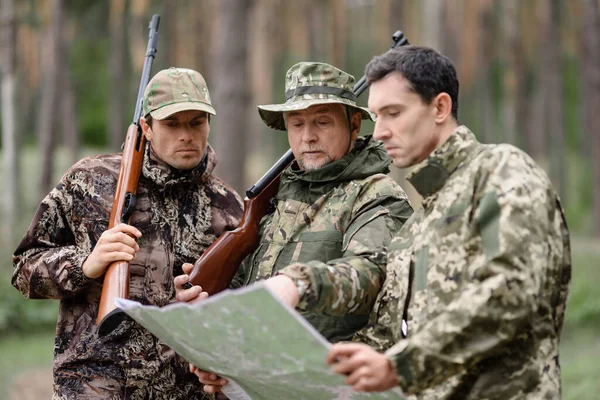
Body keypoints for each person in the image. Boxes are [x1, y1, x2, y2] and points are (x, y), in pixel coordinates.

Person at [325, 46, 572, 400]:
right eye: (376, 116)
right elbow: (388, 334)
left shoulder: (501, 171)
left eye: (393, 113)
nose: (378, 132)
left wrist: (400, 367)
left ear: (439, 107)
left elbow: (512, 294)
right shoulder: (419, 219)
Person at [175, 61, 413, 393]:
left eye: (322, 122)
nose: (308, 136)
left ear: (355, 125)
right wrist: (219, 354)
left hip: (337, 386)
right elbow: (246, 294)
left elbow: (372, 272)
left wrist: (298, 283)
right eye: (297, 123)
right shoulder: (277, 201)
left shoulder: (376, 194)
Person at [12, 67, 243, 399]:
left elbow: (241, 309)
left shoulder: (230, 208)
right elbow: (24, 267)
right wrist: (85, 265)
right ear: (147, 128)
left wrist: (211, 303)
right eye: (172, 124)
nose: (186, 136)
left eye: (196, 122)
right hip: (92, 388)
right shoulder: (88, 182)